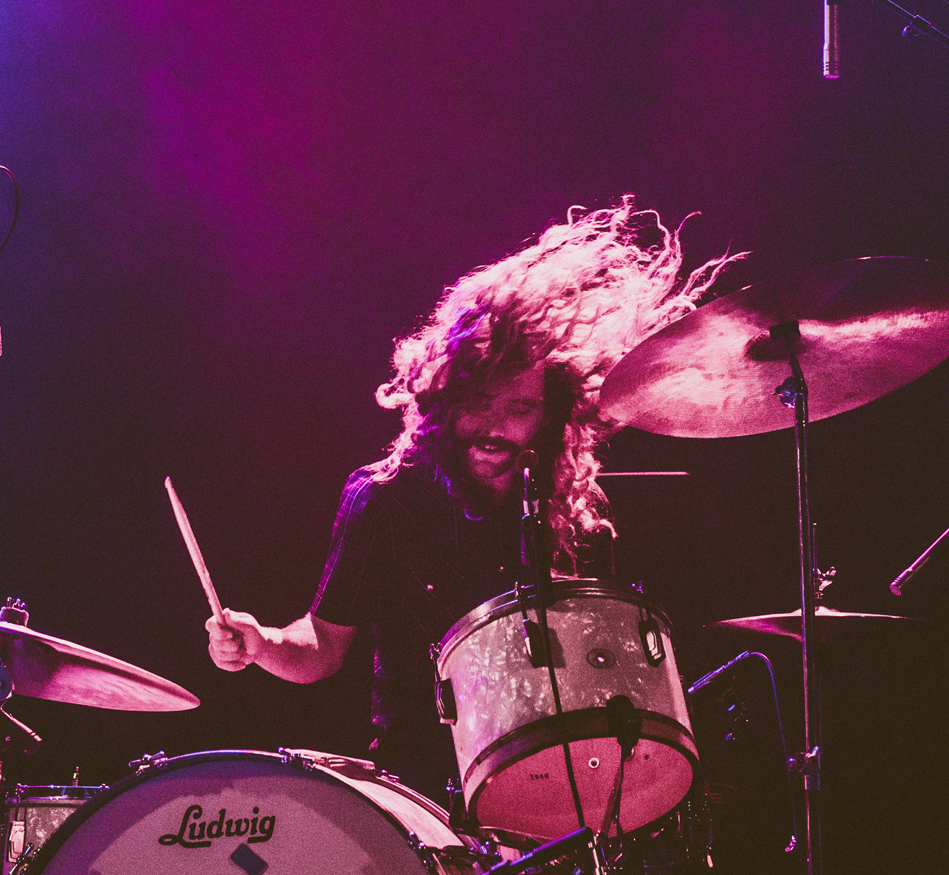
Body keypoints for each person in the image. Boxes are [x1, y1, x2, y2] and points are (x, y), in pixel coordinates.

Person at [206, 198, 737, 802]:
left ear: (550, 415)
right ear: (445, 394)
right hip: (423, 787)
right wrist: (260, 642)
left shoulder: (576, 516)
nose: (494, 426)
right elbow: (323, 649)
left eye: (520, 409)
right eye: (479, 401)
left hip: (566, 779)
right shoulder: (385, 499)